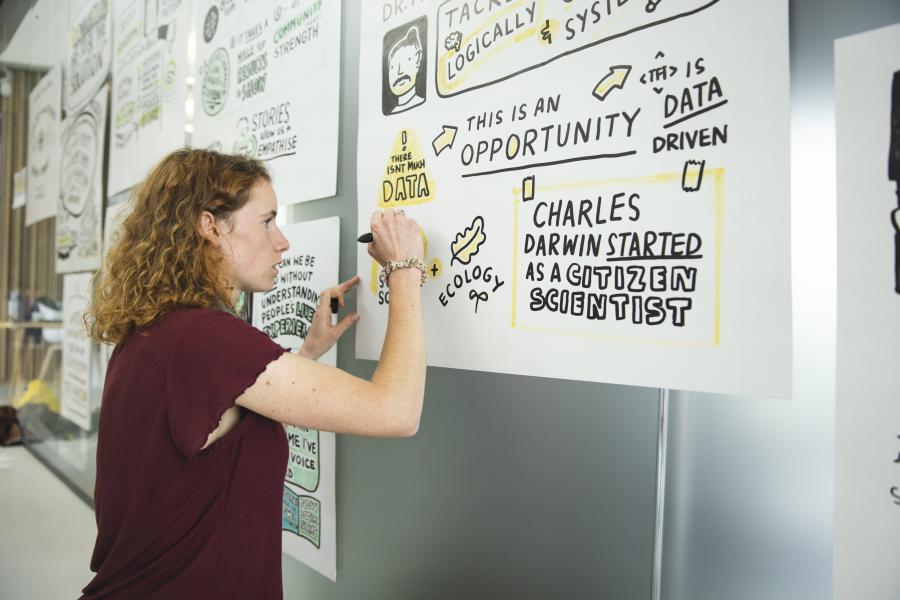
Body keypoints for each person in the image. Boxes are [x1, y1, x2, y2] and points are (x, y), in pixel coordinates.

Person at [79, 149, 426, 598]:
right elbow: (396, 411)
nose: (282, 241)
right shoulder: (207, 339)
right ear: (211, 226)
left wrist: (308, 352)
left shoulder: (156, 330)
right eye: (266, 221)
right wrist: (404, 269)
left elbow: (217, 424)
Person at [387, 26, 425, 114]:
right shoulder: (392, 114)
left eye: (406, 61)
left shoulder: (422, 104)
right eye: (393, 67)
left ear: (418, 59)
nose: (399, 72)